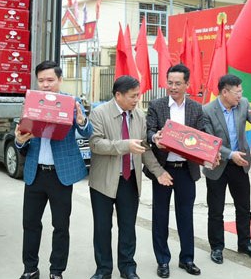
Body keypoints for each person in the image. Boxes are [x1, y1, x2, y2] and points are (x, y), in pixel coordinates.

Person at [14, 61, 92, 279]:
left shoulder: (72, 102)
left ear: (60, 80)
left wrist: (81, 120)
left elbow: (87, 132)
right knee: (30, 223)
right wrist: (19, 140)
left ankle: (56, 271)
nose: (45, 85)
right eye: (41, 80)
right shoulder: (31, 102)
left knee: (60, 226)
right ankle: (30, 269)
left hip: (60, 175)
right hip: (35, 173)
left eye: (50, 80)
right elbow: (21, 139)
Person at [88, 75, 164, 279]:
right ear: (118, 95)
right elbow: (95, 144)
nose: (136, 100)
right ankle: (103, 269)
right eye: (133, 96)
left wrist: (159, 172)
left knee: (128, 227)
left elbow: (144, 149)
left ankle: (128, 267)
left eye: (138, 95)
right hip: (103, 181)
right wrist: (125, 145)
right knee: (103, 228)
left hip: (129, 181)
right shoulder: (99, 113)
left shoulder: (138, 116)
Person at [145, 64, 205, 278]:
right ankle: (163, 260)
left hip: (186, 170)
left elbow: (204, 133)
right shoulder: (157, 105)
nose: (173, 87)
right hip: (163, 169)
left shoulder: (196, 108)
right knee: (160, 216)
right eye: (170, 83)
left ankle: (187, 258)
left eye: (178, 83)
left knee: (185, 215)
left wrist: (210, 150)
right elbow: (148, 130)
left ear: (187, 84)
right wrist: (155, 137)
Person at [202, 74, 251, 263]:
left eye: (241, 92)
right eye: (237, 92)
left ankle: (245, 244)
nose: (241, 95)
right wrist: (231, 154)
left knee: (244, 208)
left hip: (240, 166)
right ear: (224, 92)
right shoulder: (207, 110)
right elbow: (209, 140)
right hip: (217, 165)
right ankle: (216, 248)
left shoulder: (244, 104)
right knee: (216, 210)